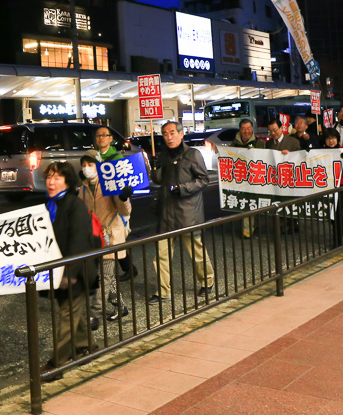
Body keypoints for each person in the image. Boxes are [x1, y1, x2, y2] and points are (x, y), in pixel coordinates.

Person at [42, 161, 98, 375]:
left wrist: (69, 273)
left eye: (57, 178)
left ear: (67, 182)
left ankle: (57, 363)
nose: (51, 182)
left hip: (76, 271)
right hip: (56, 270)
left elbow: (78, 242)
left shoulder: (75, 205)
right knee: (72, 312)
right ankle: (86, 346)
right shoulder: (48, 205)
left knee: (67, 314)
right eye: (49, 177)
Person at [149, 121, 214, 304]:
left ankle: (207, 281)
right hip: (166, 212)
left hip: (187, 213)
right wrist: (155, 167)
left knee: (196, 252)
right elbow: (158, 180)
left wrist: (183, 188)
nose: (169, 137)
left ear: (180, 134)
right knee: (161, 254)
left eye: (172, 133)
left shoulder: (192, 154)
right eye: (165, 134)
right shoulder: (163, 156)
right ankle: (163, 291)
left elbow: (203, 180)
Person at [79, 155, 132, 322]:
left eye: (91, 164)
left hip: (111, 236)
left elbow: (125, 211)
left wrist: (123, 198)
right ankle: (120, 306)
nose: (87, 168)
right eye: (84, 165)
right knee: (104, 275)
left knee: (105, 276)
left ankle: (94, 310)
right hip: (94, 237)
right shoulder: (83, 188)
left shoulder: (110, 183)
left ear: (99, 165)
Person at [86, 126, 137, 283]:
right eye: (98, 135)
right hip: (99, 202)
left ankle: (119, 274)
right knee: (109, 238)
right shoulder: (92, 157)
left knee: (116, 237)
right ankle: (126, 270)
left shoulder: (116, 158)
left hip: (115, 203)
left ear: (110, 138)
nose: (101, 138)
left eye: (104, 135)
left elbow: (125, 181)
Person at [230, 119, 264, 239]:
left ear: (252, 129)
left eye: (249, 128)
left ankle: (253, 226)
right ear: (240, 130)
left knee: (254, 203)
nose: (246, 131)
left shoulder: (259, 143)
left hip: (255, 179)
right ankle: (247, 230)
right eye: (244, 128)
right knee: (246, 204)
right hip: (241, 179)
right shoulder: (234, 144)